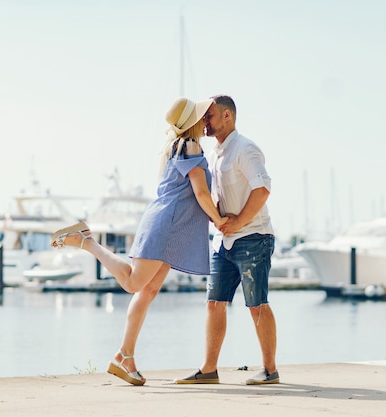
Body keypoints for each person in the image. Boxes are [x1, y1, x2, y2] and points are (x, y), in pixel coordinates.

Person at [50, 97, 228, 386]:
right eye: (200, 115)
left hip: (171, 226)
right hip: (167, 225)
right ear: (192, 122)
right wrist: (219, 220)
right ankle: (87, 241)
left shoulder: (178, 145)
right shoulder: (190, 145)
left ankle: (124, 357)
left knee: (148, 290)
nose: (204, 119)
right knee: (134, 284)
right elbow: (200, 193)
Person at [175, 95, 279, 385]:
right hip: (224, 242)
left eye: (208, 116)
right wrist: (217, 215)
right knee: (214, 303)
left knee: (257, 304)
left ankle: (270, 370)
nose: (204, 122)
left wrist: (238, 222)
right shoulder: (214, 154)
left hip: (254, 238)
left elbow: (263, 189)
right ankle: (209, 369)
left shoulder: (246, 148)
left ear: (227, 117)